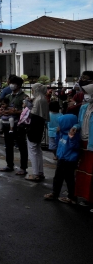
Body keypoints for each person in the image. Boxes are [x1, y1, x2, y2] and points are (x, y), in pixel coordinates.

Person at [44, 114, 81, 204]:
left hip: (69, 160)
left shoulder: (73, 135)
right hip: (62, 158)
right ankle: (55, 193)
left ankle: (72, 197)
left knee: (69, 179)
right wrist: (57, 133)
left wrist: (71, 138)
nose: (59, 126)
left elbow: (75, 147)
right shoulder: (62, 133)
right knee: (58, 177)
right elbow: (58, 142)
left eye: (61, 124)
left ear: (66, 124)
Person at [69, 75, 93, 206]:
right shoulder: (84, 107)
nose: (85, 96)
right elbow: (79, 122)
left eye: (87, 93)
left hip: (92, 144)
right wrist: (74, 127)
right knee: (83, 172)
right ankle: (86, 198)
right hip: (83, 142)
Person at [0, 76, 28, 175]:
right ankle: (9, 165)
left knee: (21, 145)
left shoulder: (24, 97)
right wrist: (3, 111)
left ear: (18, 85)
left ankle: (23, 167)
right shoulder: (8, 97)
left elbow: (27, 111)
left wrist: (16, 111)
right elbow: (3, 107)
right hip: (7, 123)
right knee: (8, 145)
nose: (10, 85)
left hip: (19, 124)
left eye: (12, 83)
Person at [24, 84, 49, 182]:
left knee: (33, 151)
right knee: (38, 150)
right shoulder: (44, 99)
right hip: (40, 126)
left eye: (33, 89)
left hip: (34, 127)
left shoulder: (38, 100)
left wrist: (27, 106)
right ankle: (40, 172)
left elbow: (32, 114)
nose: (32, 91)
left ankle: (35, 174)